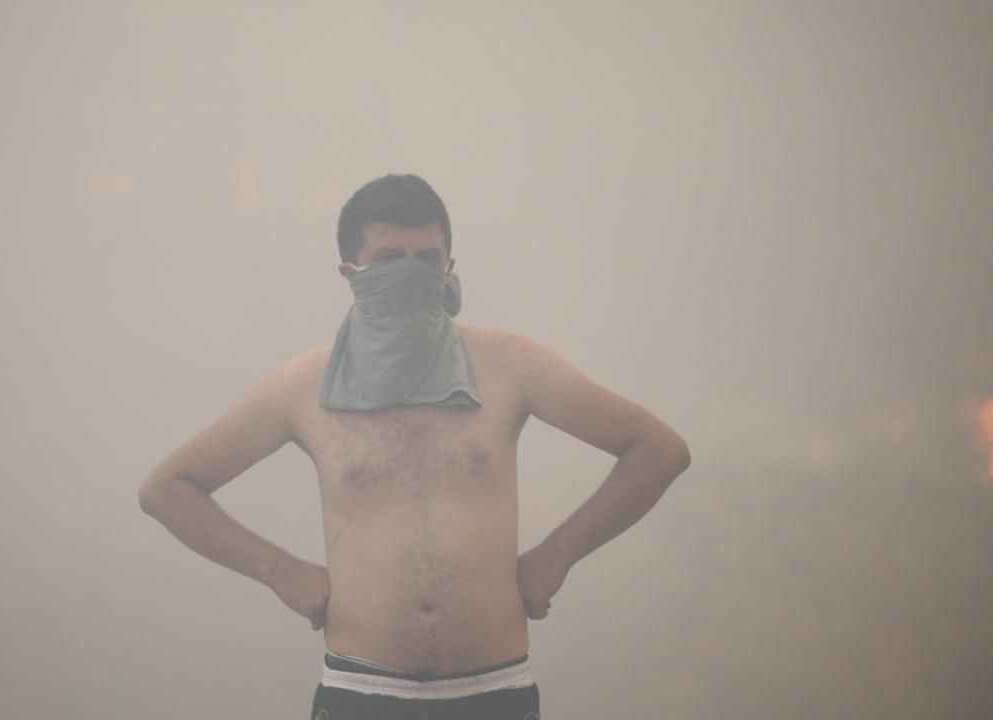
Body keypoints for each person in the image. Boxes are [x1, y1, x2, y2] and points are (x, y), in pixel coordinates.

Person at [138, 174, 691, 719]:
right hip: (360, 689)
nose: (410, 272)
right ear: (350, 272)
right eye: (389, 258)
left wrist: (556, 558)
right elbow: (168, 489)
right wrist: (280, 572)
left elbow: (657, 450)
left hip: (494, 689)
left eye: (426, 258)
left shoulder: (511, 366)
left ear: (449, 266)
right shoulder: (305, 387)